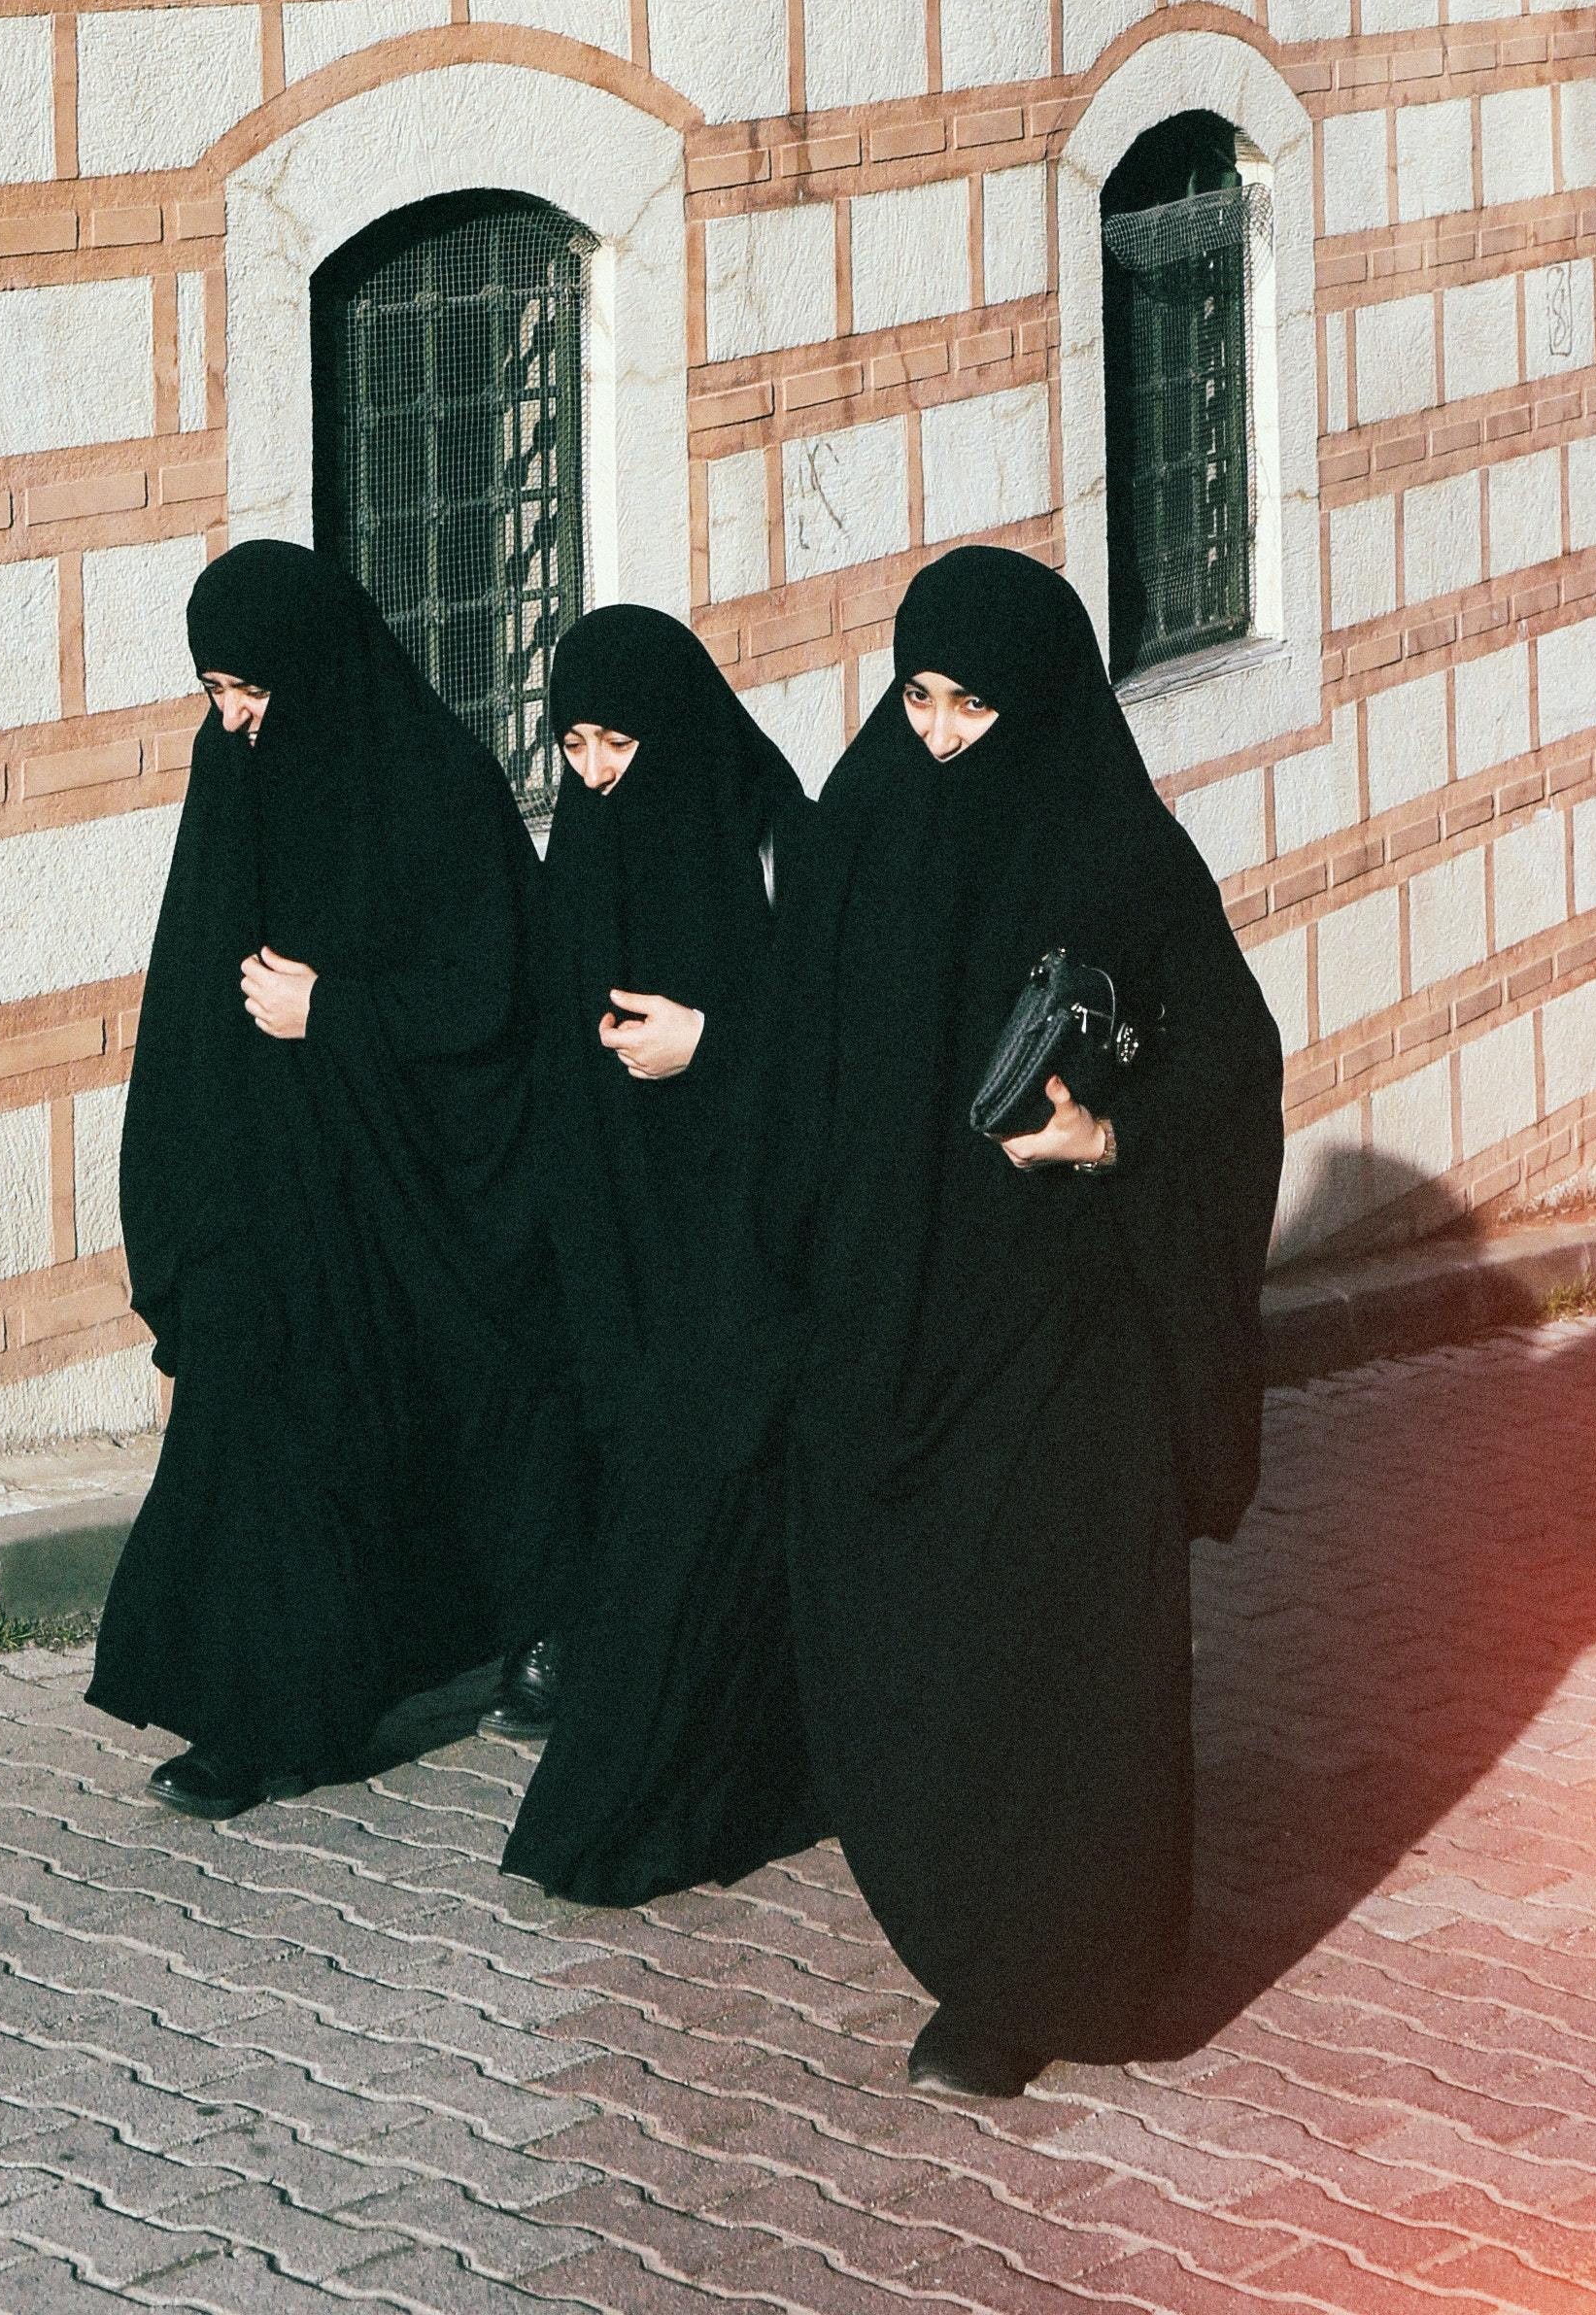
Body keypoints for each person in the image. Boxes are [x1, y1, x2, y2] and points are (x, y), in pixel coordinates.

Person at [768, 546, 1283, 2101]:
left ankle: (1042, 1976)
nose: (936, 737)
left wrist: (1108, 1139)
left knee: (1052, 1654)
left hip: (1063, 1317)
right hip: (892, 1314)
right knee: (909, 1636)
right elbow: (798, 1055)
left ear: (1039, 705)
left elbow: (1232, 1069)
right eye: (918, 699)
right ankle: (959, 1924)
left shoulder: (1114, 851)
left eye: (972, 709)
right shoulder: (865, 821)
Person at [87, 536, 580, 1817]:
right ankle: (250, 1724)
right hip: (265, 1181)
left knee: (438, 1419)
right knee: (253, 1427)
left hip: (404, 1177)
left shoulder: (432, 780)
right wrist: (179, 1185)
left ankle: (539, 1630)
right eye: (214, 692)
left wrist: (339, 1012)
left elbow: (493, 991)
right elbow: (194, 972)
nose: (235, 720)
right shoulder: (232, 768)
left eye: (252, 690)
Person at [501, 601, 817, 1901]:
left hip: (733, 1222)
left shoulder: (770, 830)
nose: (593, 772)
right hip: (611, 1217)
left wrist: (710, 1042)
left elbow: (828, 1031)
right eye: (572, 744)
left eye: (617, 744)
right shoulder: (585, 841)